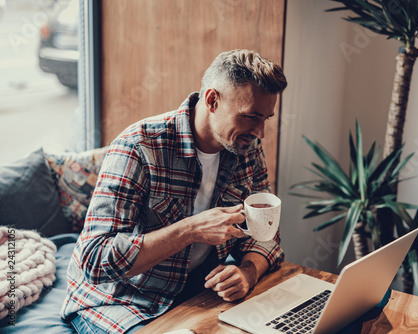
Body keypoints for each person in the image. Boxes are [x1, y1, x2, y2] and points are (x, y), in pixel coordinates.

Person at [61, 49, 288, 333]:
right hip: (118, 299)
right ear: (212, 100)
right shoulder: (139, 147)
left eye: (265, 118)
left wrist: (248, 273)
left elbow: (266, 234)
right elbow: (95, 260)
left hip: (193, 290)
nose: (260, 132)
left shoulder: (246, 149)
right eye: (250, 117)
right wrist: (191, 229)